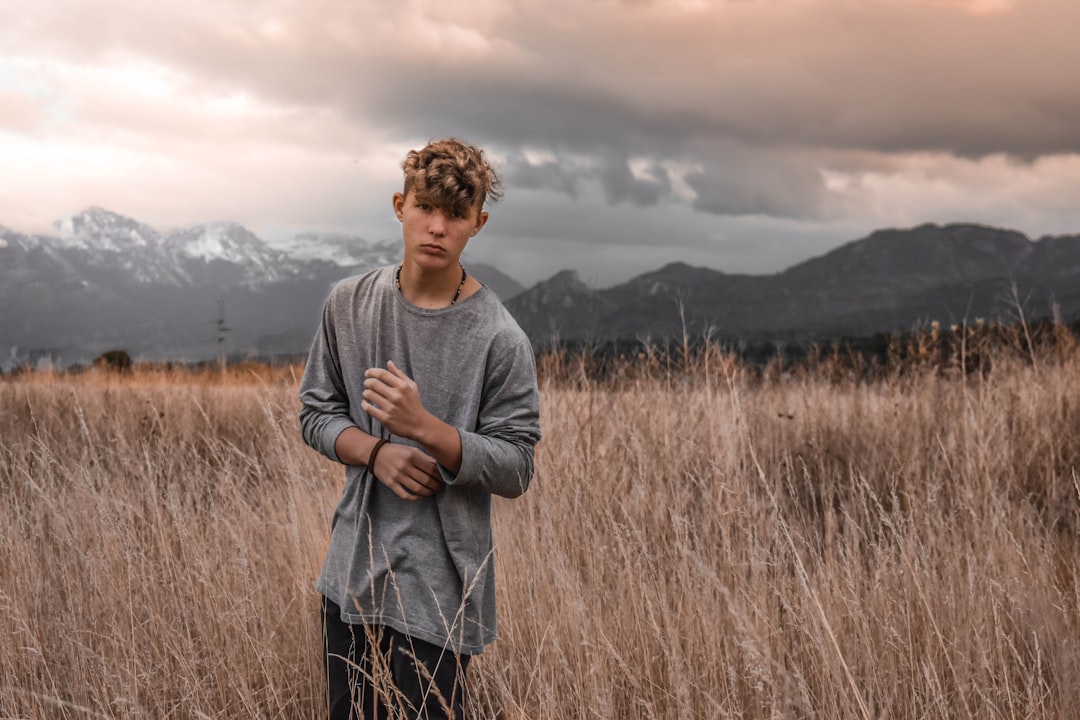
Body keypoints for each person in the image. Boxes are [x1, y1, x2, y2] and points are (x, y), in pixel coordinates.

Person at [298, 138, 542, 720]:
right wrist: (376, 451)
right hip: (352, 577)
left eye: (455, 214)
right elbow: (314, 413)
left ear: (477, 223)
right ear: (399, 205)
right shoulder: (348, 304)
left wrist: (426, 428)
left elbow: (517, 467)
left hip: (440, 597)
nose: (437, 226)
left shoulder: (500, 338)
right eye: (425, 207)